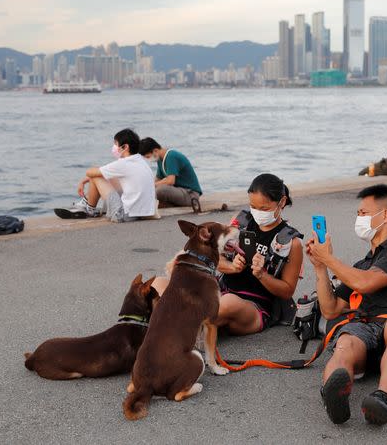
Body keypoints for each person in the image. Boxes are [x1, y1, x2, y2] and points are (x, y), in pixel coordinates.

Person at [305, 184, 387, 426]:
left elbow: (366, 283)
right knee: (346, 341)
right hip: (365, 332)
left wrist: (329, 259)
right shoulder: (361, 265)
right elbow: (331, 309)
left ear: (384, 216)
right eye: (358, 214)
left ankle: (381, 398)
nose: (358, 219)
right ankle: (333, 395)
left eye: (363, 213)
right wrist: (320, 268)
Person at [151, 173, 303, 335]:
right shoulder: (242, 221)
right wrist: (232, 267)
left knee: (226, 303)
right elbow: (213, 256)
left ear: (282, 202)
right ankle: (173, 324)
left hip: (254, 306)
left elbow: (287, 291)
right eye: (253, 206)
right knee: (157, 284)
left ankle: (168, 326)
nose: (257, 212)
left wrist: (262, 275)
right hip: (218, 290)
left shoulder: (291, 242)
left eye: (264, 208)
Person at [57, 128, 156, 222]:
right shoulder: (140, 161)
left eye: (116, 144)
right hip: (143, 213)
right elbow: (108, 174)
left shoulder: (123, 163)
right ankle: (86, 204)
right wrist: (86, 179)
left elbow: (90, 172)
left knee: (96, 176)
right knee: (108, 176)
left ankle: (89, 208)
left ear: (125, 147)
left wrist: (85, 179)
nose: (114, 148)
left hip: (123, 215)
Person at [138, 138, 203, 213]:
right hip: (179, 191)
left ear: (155, 150)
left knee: (160, 190)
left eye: (148, 157)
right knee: (151, 190)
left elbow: (170, 181)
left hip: (191, 195)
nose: (149, 159)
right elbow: (158, 179)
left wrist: (152, 185)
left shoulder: (171, 156)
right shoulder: (160, 160)